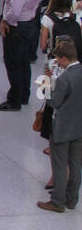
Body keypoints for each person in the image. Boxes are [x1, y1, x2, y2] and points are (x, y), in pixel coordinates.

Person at [0, 0, 43, 113]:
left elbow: (14, 11)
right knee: (23, 61)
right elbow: (37, 0)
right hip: (29, 23)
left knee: (13, 62)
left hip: (17, 26)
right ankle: (24, 94)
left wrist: (5, 21)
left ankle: (14, 99)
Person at [39, 39, 82, 214]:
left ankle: (57, 201)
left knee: (59, 165)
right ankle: (72, 199)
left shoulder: (65, 78)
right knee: (76, 164)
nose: (57, 63)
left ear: (64, 58)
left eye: (58, 60)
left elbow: (54, 103)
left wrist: (45, 85)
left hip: (63, 126)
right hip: (79, 126)